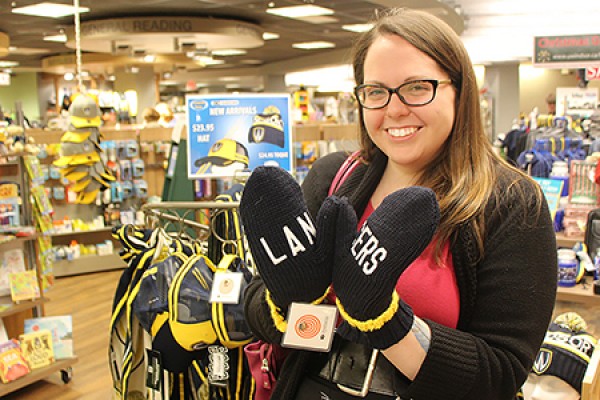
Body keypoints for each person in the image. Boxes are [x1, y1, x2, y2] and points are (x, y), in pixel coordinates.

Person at [242, 7, 558, 400]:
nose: (393, 109)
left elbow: (499, 375)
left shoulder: (512, 204)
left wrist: (388, 322)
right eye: (375, 91)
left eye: (416, 87)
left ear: (459, 90)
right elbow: (255, 301)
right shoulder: (335, 178)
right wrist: (289, 301)